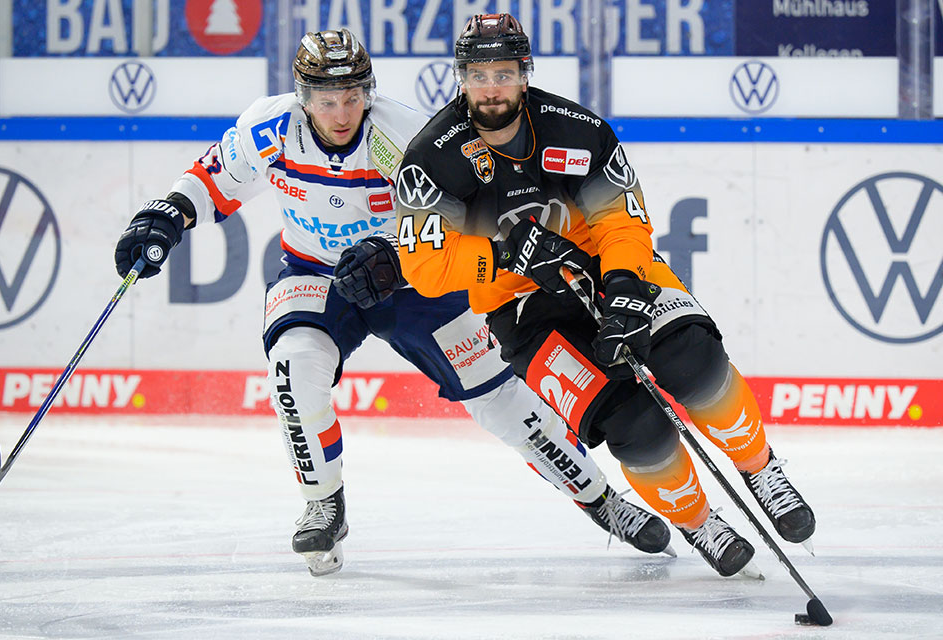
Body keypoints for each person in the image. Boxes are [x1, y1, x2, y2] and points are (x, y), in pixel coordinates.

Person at [113, 28, 674, 577]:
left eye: (353, 97)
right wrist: (163, 215)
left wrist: (393, 254)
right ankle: (323, 504)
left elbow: (464, 219)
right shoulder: (270, 127)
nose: (341, 113)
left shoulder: (402, 135)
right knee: (292, 362)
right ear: (302, 97)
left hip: (409, 281)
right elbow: (212, 181)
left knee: (499, 398)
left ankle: (601, 500)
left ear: (370, 92)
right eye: (326, 100)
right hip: (315, 271)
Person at [395, 13, 816, 578]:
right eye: (477, 74)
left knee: (693, 359)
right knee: (633, 424)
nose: (490, 87)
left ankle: (760, 468)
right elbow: (424, 268)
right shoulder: (431, 160)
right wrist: (502, 255)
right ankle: (699, 521)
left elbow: (622, 222)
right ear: (460, 79)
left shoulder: (577, 129)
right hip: (522, 309)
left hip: (602, 269)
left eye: (502, 72)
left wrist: (621, 286)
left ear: (525, 73)